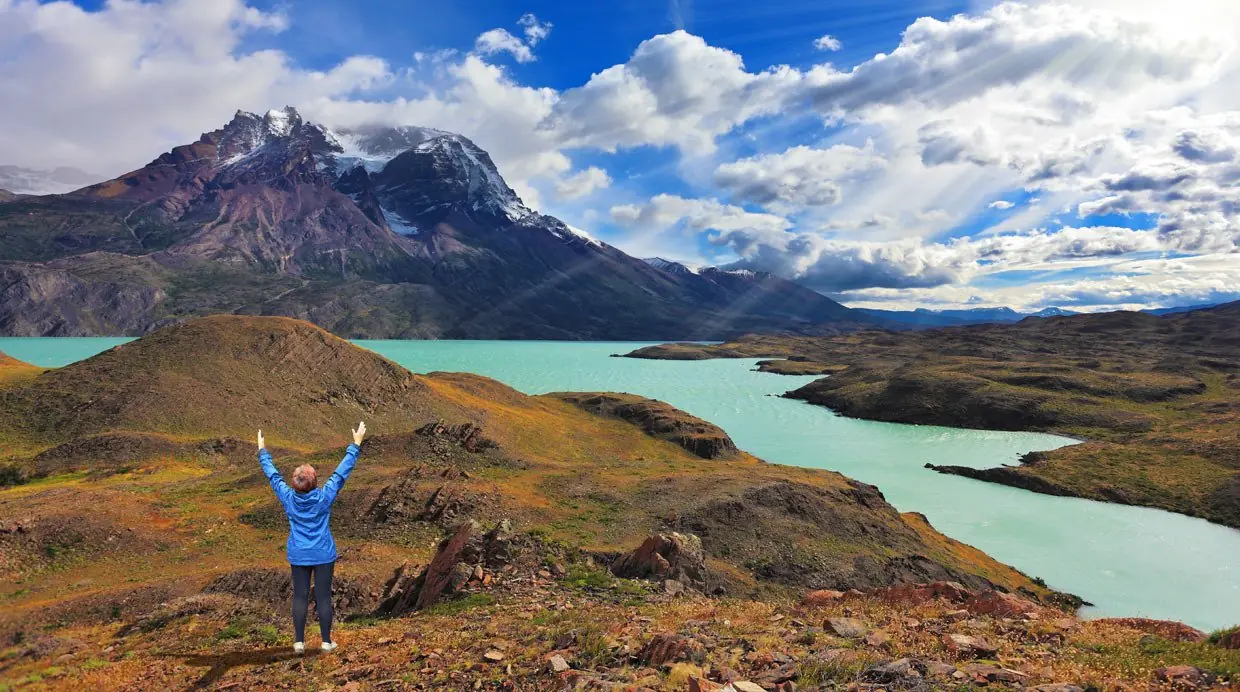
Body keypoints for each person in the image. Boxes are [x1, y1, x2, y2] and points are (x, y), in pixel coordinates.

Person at [257, 422, 365, 654]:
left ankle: (299, 642)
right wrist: (355, 444)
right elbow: (341, 472)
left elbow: (273, 476)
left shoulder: (287, 497)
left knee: (300, 596)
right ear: (315, 481)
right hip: (323, 553)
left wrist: (262, 451)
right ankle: (326, 642)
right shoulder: (324, 497)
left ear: (295, 483)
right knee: (324, 597)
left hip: (298, 553)